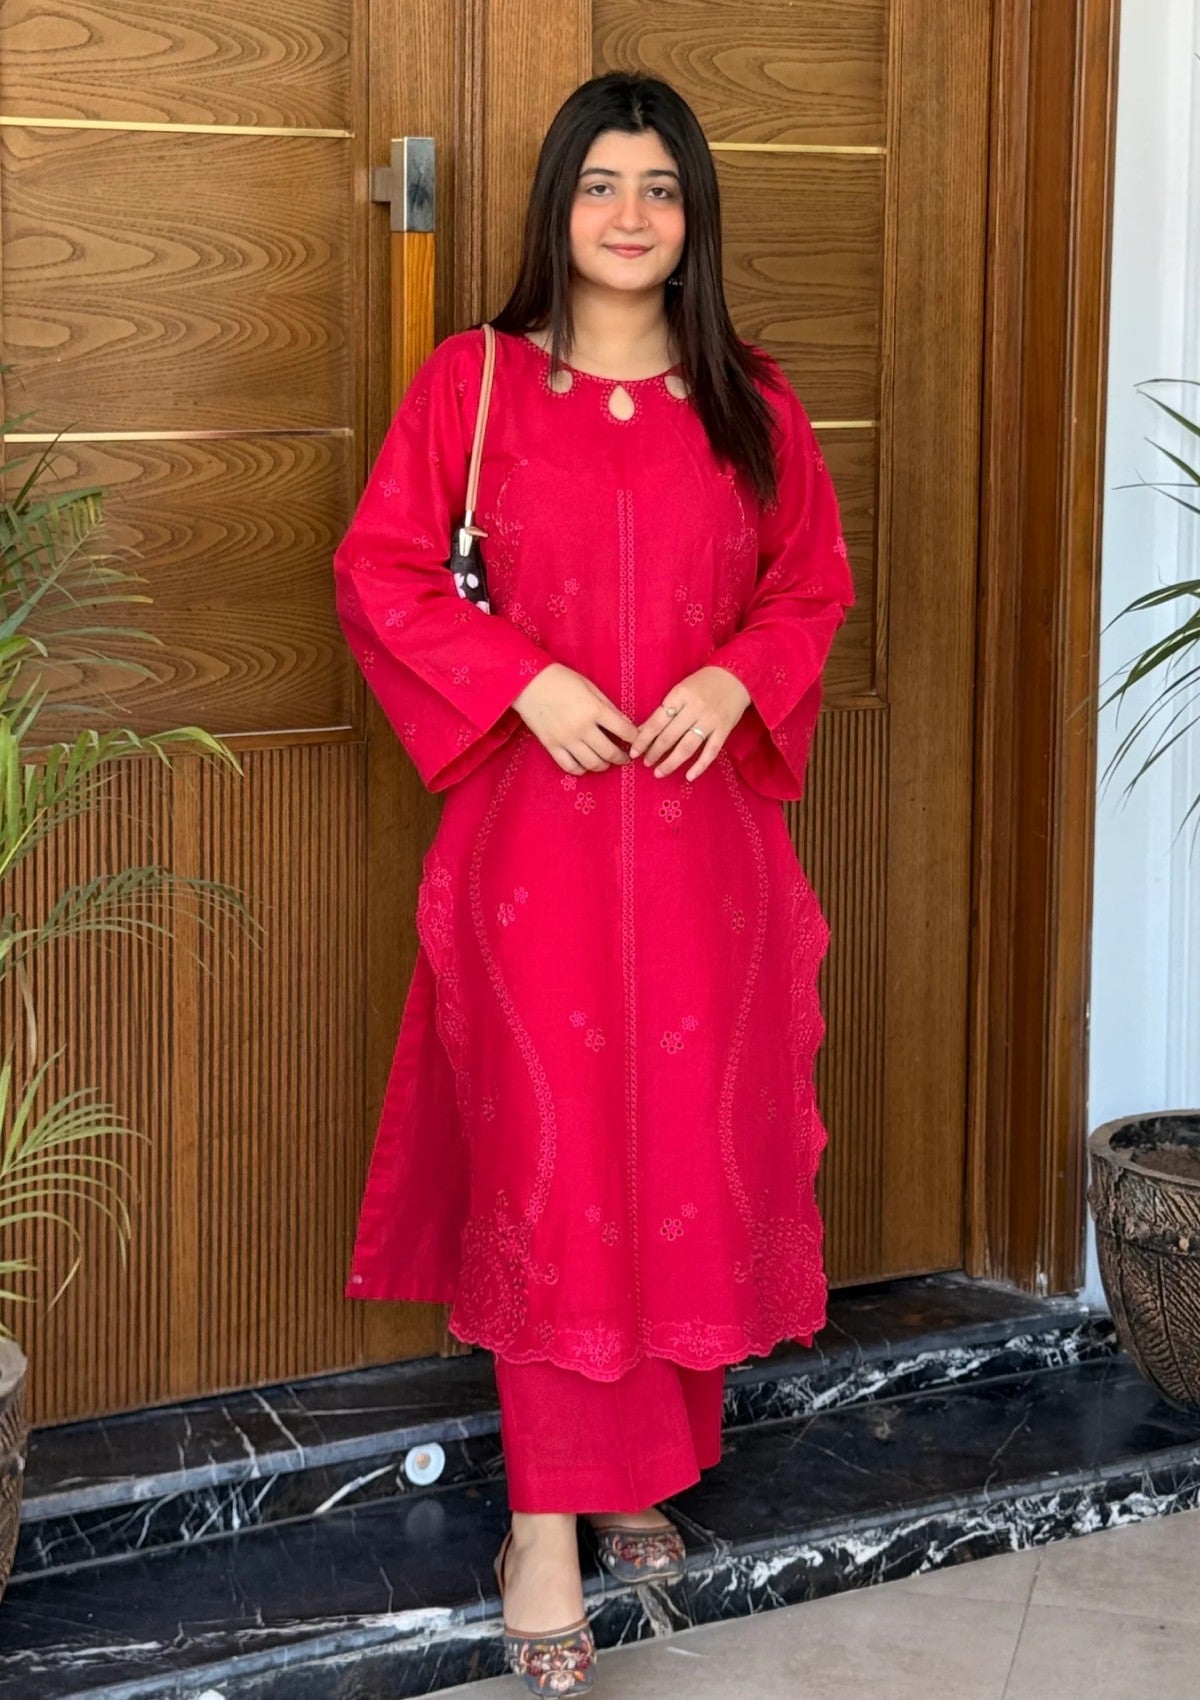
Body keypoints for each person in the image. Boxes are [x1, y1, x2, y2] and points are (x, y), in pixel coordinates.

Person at [332, 69, 855, 1696]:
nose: (631, 216)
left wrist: (736, 678)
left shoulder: (753, 404)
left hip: (705, 857)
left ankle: (638, 1467)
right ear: (557, 206)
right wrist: (524, 680)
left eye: (661, 188)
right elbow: (383, 572)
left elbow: (810, 588)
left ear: (695, 218)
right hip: (533, 859)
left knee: (679, 1152)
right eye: (602, 185)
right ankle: (542, 1528)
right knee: (556, 1168)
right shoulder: (474, 384)